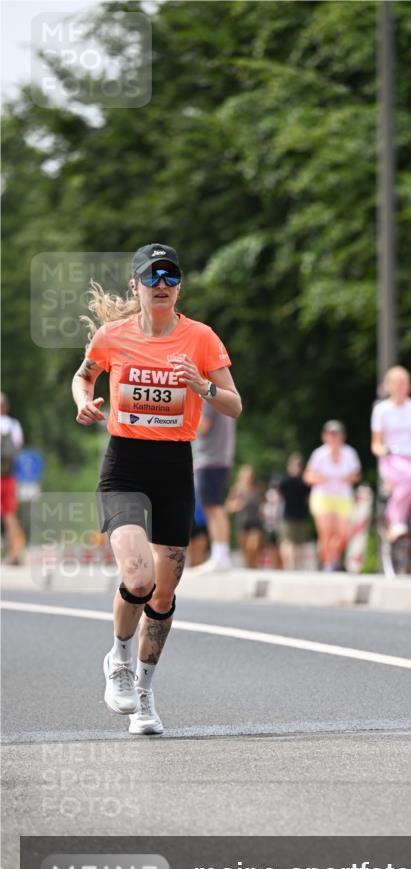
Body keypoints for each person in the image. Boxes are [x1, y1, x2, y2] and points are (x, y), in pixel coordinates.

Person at [72, 243, 242, 735]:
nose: (162, 284)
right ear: (136, 287)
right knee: (139, 576)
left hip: (173, 469)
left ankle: (145, 694)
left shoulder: (201, 339)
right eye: (152, 277)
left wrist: (203, 387)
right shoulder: (112, 337)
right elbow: (83, 377)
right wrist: (84, 402)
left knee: (163, 597)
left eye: (170, 277)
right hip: (124, 465)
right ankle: (119, 661)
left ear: (179, 286)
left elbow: (234, 404)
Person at [371, 366, 411, 542]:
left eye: (405, 382)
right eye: (398, 382)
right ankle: (395, 520)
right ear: (389, 385)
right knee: (408, 478)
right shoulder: (382, 410)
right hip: (393, 458)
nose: (402, 386)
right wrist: (382, 451)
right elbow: (376, 443)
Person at [304, 420, 361, 572]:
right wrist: (319, 478)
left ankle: (333, 556)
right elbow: (308, 476)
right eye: (331, 434)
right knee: (326, 533)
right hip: (323, 496)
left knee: (344, 533)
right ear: (325, 436)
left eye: (336, 434)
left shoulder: (350, 453)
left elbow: (356, 475)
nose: (334, 437)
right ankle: (327, 564)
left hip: (343, 496)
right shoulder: (319, 454)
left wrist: (348, 478)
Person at [191, 403, 236, 572]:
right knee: (213, 507)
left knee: (214, 508)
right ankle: (220, 554)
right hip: (218, 459)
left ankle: (221, 555)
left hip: (210, 460)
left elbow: (202, 426)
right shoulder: (219, 396)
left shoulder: (208, 399)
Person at [0, 392, 25, 565]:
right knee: (10, 515)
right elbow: (18, 445)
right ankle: (14, 553)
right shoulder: (14, 425)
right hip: (9, 476)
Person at [226, 464, 264, 568]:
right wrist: (237, 505)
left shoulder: (258, 488)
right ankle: (250, 568)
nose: (248, 477)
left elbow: (264, 503)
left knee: (253, 546)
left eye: (250, 475)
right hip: (242, 523)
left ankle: (254, 566)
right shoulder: (236, 489)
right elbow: (228, 507)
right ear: (241, 476)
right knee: (246, 550)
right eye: (246, 475)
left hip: (255, 522)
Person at [278, 453, 310, 570]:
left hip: (292, 516)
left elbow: (278, 495)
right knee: (295, 543)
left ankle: (291, 566)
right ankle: (294, 566)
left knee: (289, 542)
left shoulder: (284, 481)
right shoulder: (305, 481)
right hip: (295, 515)